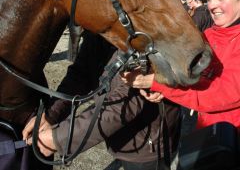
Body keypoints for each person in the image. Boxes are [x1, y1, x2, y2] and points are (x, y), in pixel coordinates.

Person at [23, 31, 181, 170]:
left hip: (147, 143)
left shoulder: (145, 27)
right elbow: (81, 72)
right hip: (118, 135)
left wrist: (59, 138)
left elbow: (128, 101)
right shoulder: (102, 22)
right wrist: (52, 114)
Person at [121, 0, 240, 131]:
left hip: (231, 138)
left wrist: (157, 84)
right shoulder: (208, 35)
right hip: (206, 133)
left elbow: (217, 95)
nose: (212, 5)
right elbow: (187, 72)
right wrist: (162, 85)